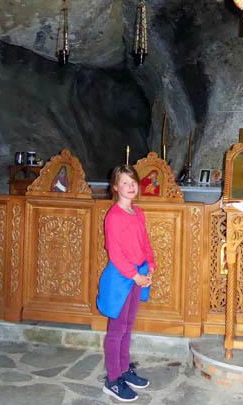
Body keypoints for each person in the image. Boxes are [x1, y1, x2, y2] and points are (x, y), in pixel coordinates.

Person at [97, 165, 156, 402]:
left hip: (138, 274)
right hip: (122, 278)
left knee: (128, 326)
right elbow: (116, 254)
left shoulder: (138, 213)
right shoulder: (113, 216)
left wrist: (150, 265)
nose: (130, 187)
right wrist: (135, 275)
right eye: (125, 183)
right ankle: (112, 380)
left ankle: (123, 370)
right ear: (115, 187)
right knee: (116, 330)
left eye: (133, 182)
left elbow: (145, 243)